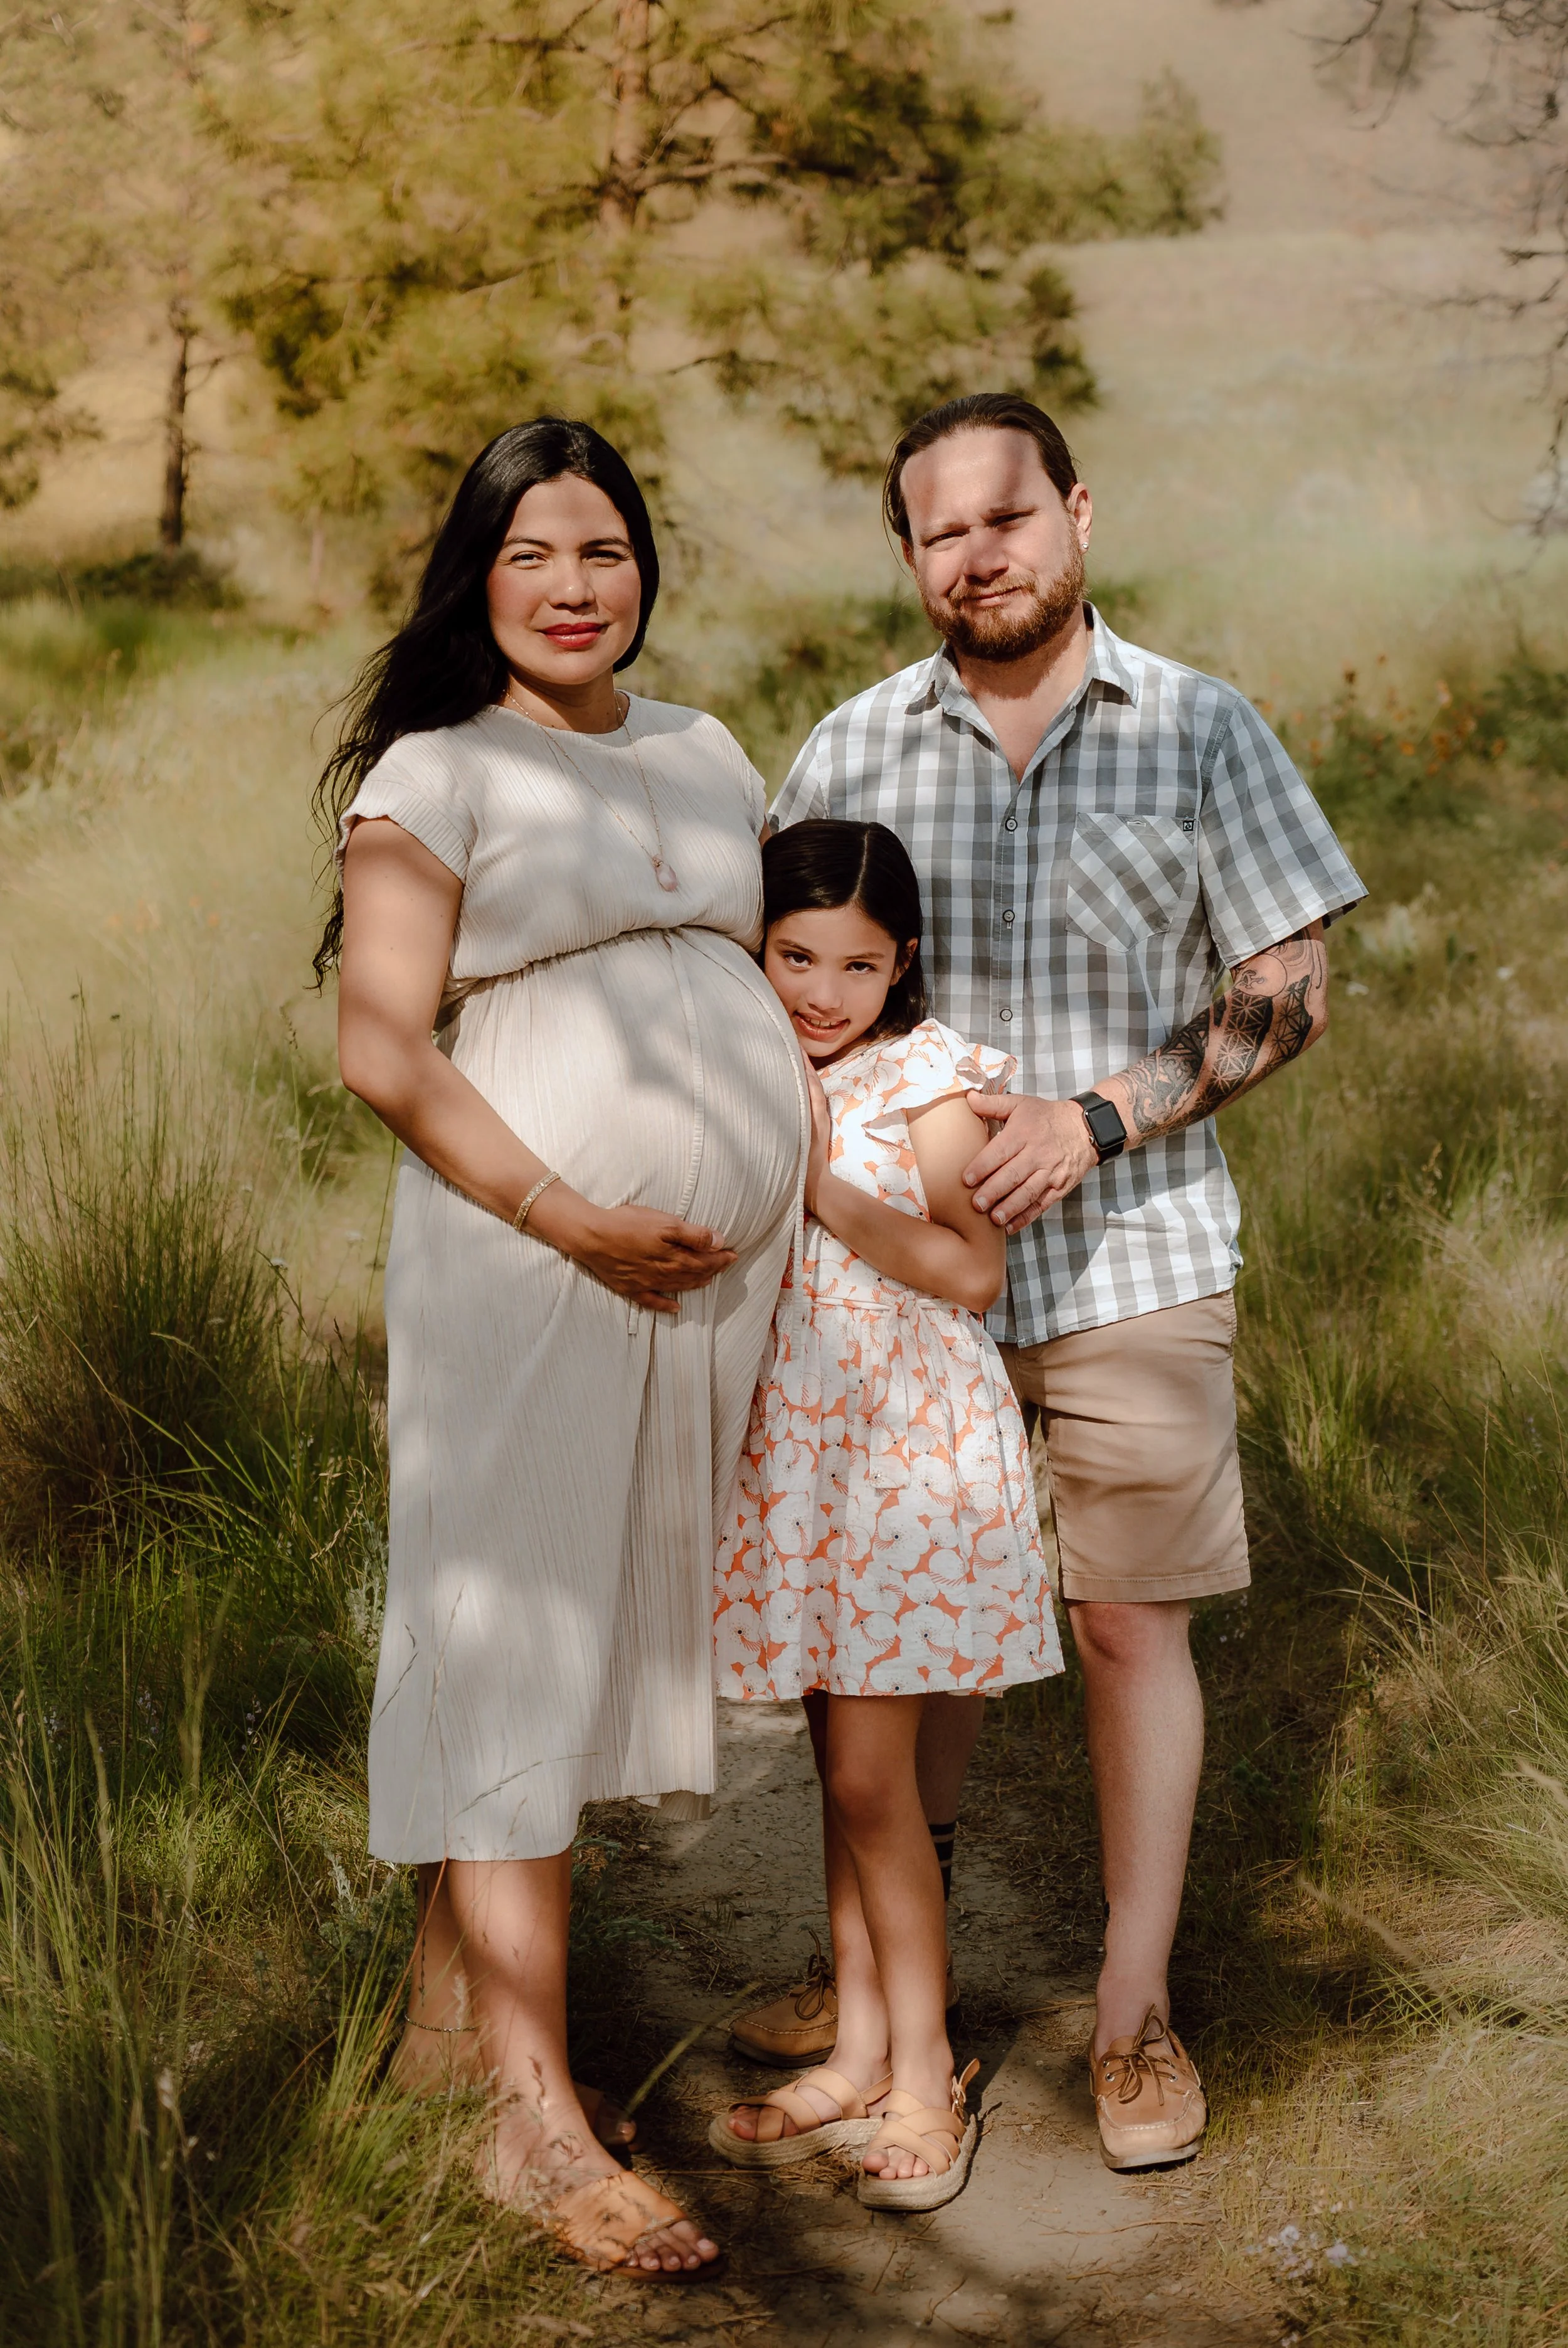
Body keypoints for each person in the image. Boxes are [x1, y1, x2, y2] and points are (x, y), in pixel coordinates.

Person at [753, 392, 1365, 2171]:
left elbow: (1289, 981)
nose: (978, 552)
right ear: (908, 555)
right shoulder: (851, 744)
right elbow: (760, 981)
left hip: (1129, 1247)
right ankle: (882, 1982)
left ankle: (1131, 2005)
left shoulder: (1195, 726)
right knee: (894, 1642)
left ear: (1074, 515)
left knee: (1122, 1620)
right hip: (890, 1294)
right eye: (939, 529)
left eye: (1006, 515)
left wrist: (1099, 1115)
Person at [326, 417, 806, 2274]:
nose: (572, 584)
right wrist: (573, 1213)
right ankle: (533, 2127)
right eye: (532, 554)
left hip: (701, 1280)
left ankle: (456, 2040)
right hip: (535, 1252)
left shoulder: (702, 747)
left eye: (602, 549)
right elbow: (383, 1044)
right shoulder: (434, 770)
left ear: (644, 569)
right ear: (480, 575)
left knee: (576, 1634)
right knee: (509, 1631)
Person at [708, 820, 1062, 2209]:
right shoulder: (757, 1060)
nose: (821, 989)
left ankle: (925, 2070)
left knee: (874, 1786)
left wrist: (817, 1183)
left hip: (906, 1456)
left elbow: (968, 1270)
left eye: (857, 963)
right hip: (799, 1455)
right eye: (795, 953)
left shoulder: (924, 1076)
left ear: (900, 960)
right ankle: (855, 2047)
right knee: (840, 1781)